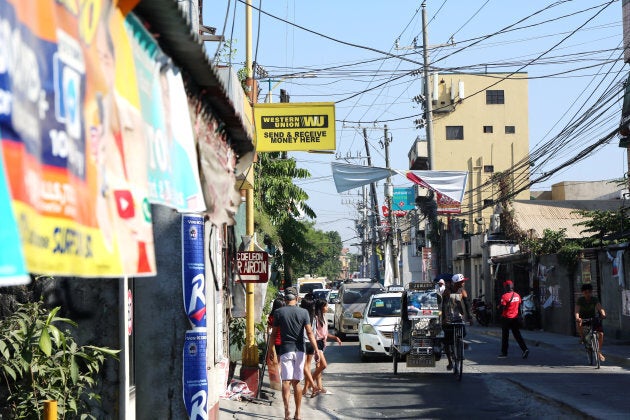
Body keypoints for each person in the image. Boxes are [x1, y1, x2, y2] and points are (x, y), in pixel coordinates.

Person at [270, 287, 320, 420]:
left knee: (286, 381)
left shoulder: (279, 312)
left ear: (285, 299)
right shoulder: (303, 312)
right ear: (297, 298)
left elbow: (274, 334)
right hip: (300, 351)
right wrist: (316, 350)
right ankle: (298, 414)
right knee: (297, 382)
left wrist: (270, 350)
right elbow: (309, 333)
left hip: (285, 350)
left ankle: (287, 412)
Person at [441, 273, 473, 371]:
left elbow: (467, 304)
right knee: (446, 341)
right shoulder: (447, 292)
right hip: (448, 317)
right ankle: (450, 361)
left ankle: (459, 346)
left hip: (458, 317)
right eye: (461, 282)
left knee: (462, 333)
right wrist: (445, 318)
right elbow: (444, 305)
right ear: (456, 283)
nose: (463, 283)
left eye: (463, 281)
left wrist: (470, 317)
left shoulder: (462, 291)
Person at [311, 298, 342, 396]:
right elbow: (314, 334)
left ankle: (319, 388)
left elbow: (325, 333)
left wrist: (335, 337)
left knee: (318, 367)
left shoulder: (323, 317)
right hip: (317, 343)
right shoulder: (315, 318)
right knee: (323, 365)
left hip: (322, 343)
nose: (327, 308)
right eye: (326, 306)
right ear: (321, 307)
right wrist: (315, 347)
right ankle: (310, 383)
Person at [497, 280, 529, 359]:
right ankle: (525, 349)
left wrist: (499, 307)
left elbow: (503, 307)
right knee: (517, 335)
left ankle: (504, 353)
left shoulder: (505, 296)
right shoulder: (517, 295)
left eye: (505, 286)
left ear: (507, 287)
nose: (504, 287)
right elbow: (519, 305)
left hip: (506, 318)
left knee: (505, 336)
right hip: (515, 318)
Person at [575, 283, 606, 362]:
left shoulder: (594, 299)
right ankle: (582, 337)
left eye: (589, 292)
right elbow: (577, 311)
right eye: (586, 292)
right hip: (583, 319)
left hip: (592, 318)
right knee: (579, 322)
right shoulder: (580, 300)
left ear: (591, 292)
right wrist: (577, 317)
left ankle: (599, 352)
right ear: (583, 293)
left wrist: (603, 314)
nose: (588, 294)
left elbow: (600, 308)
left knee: (601, 334)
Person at [299, 293, 319, 397]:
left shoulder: (301, 316)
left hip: (303, 342)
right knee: (308, 366)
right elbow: (314, 333)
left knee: (304, 367)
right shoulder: (314, 317)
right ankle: (305, 389)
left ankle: (313, 385)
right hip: (311, 343)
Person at [266, 298, 286, 390]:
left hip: (274, 342)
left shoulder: (271, 317)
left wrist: (268, 343)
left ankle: (277, 382)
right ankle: (279, 382)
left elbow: (268, 331)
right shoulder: (283, 316)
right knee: (280, 363)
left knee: (276, 361)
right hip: (283, 341)